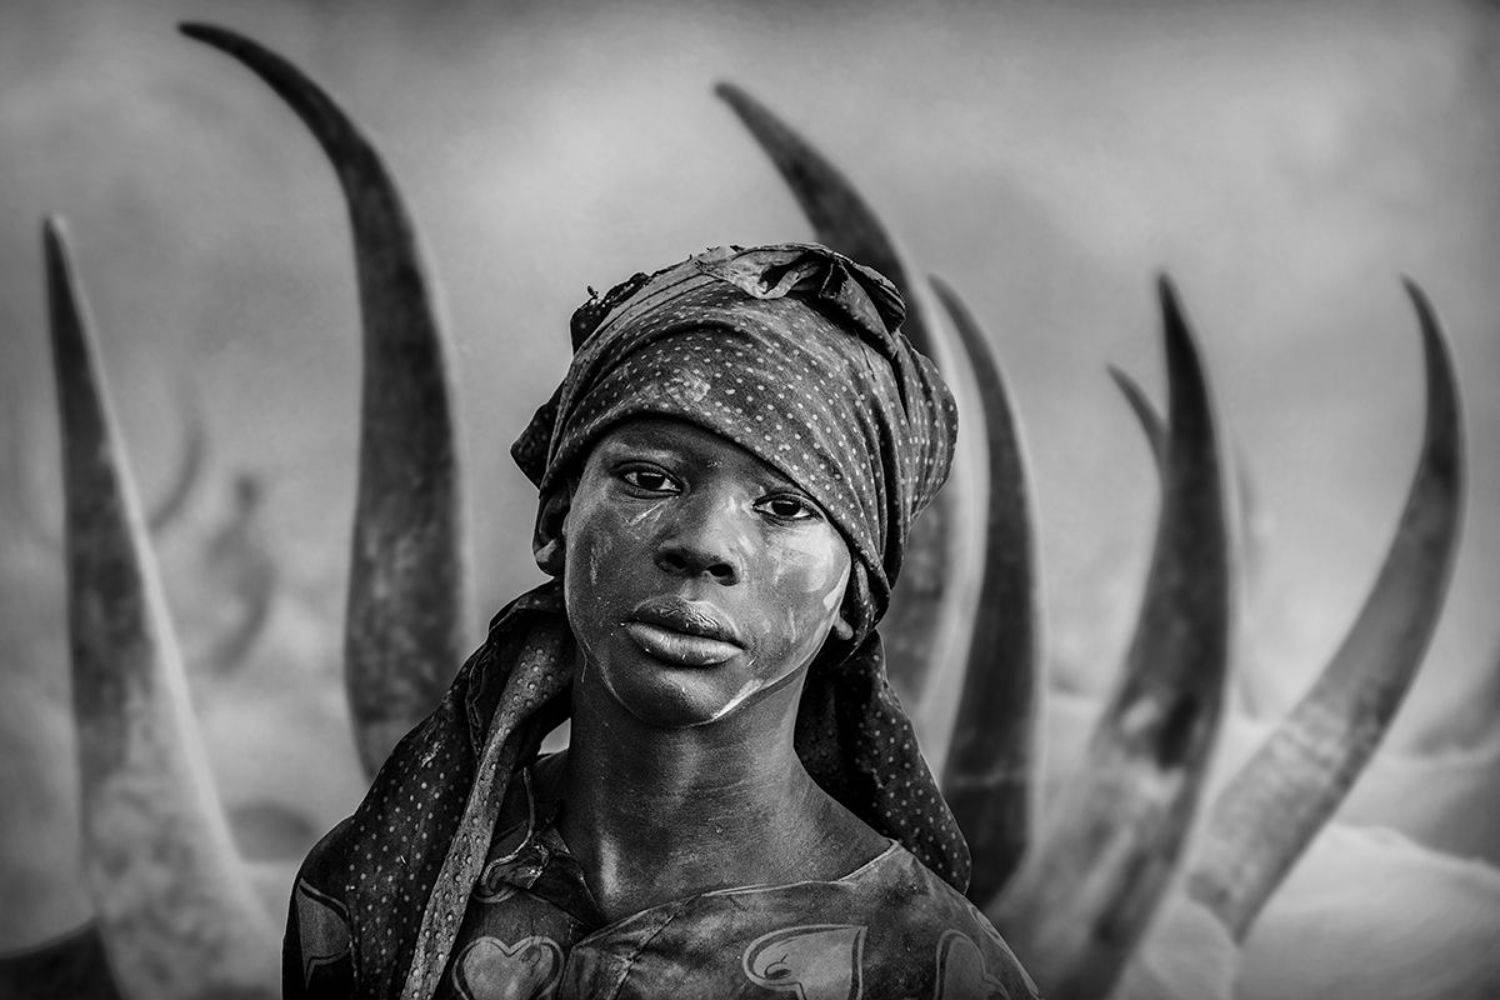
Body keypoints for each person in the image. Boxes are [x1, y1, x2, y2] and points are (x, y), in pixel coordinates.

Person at [283, 243, 1040, 999]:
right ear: (555, 522)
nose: (705, 545)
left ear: (853, 597)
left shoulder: (929, 969)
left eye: (786, 507)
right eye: (650, 479)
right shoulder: (375, 882)